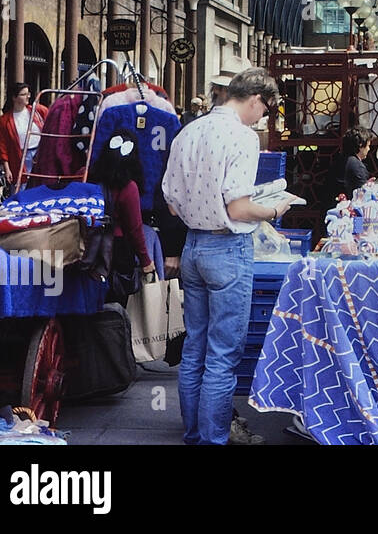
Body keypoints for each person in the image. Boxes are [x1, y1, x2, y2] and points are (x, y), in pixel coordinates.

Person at [162, 68, 292, 446]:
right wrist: (274, 209)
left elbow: (171, 204)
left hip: (194, 246)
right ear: (255, 99)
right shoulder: (242, 136)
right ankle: (213, 439)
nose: (262, 117)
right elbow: (238, 208)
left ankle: (193, 435)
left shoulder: (189, 130)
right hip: (227, 249)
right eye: (265, 110)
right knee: (222, 354)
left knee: (195, 350)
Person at [89, 126, 156, 307]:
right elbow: (134, 229)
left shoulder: (90, 177)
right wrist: (146, 261)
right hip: (117, 251)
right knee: (114, 308)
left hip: (89, 248)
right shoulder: (128, 187)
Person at [0, 82, 48, 186]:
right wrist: (7, 169)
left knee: (42, 186)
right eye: (23, 94)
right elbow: (2, 147)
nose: (28, 96)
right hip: (20, 157)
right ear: (14, 97)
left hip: (40, 153)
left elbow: (51, 125)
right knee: (21, 187)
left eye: (28, 94)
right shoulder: (4, 121)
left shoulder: (38, 110)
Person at [341, 128, 371, 199]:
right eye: (368, 146)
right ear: (360, 146)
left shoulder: (341, 159)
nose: (369, 149)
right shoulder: (357, 166)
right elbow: (363, 194)